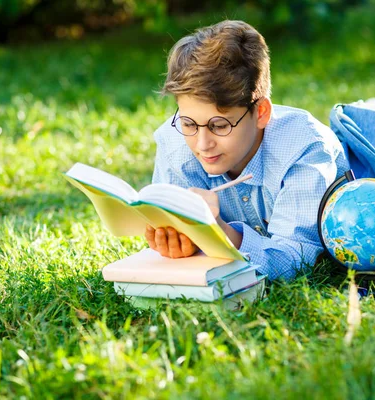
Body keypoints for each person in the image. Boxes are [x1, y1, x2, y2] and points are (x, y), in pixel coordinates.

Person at [144, 20, 349, 281]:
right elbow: (180, 241)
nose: (202, 143)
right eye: (188, 123)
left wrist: (216, 230)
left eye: (219, 125)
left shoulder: (305, 148)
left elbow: (296, 260)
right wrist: (181, 241)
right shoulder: (176, 146)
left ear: (261, 112)